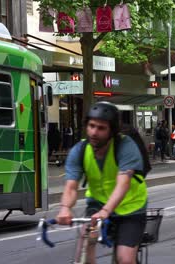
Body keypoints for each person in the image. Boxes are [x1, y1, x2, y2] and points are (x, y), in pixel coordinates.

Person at [57, 102, 147, 264]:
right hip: (97, 204)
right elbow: (71, 187)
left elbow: (123, 184)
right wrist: (65, 208)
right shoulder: (80, 150)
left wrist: (106, 211)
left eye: (101, 128)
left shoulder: (125, 146)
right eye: (91, 126)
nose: (94, 132)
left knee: (125, 259)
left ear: (112, 131)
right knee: (84, 247)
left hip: (131, 208)